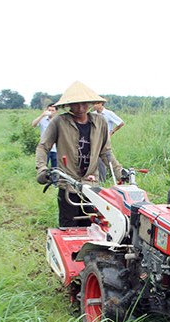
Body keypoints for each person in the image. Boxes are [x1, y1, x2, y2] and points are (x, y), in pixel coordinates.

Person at [36, 81, 123, 227]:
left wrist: (119, 171)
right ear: (68, 105)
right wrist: (42, 170)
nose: (80, 108)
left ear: (90, 103)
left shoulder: (99, 122)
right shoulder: (60, 122)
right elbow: (43, 146)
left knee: (92, 227)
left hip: (91, 184)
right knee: (68, 227)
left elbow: (105, 151)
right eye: (76, 104)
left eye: (84, 104)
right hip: (68, 183)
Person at [92, 101, 125, 181]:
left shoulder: (108, 113)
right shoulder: (93, 114)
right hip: (95, 140)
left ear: (101, 104)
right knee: (96, 160)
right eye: (93, 104)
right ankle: (100, 178)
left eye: (96, 104)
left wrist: (112, 132)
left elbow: (121, 123)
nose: (94, 106)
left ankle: (105, 179)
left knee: (106, 158)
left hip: (105, 140)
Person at [32, 103, 58, 168]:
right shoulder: (43, 119)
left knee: (55, 168)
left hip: (56, 148)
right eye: (49, 110)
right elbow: (33, 124)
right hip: (45, 148)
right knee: (42, 167)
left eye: (53, 110)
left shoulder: (58, 121)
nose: (51, 112)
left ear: (56, 111)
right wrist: (42, 115)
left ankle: (54, 178)